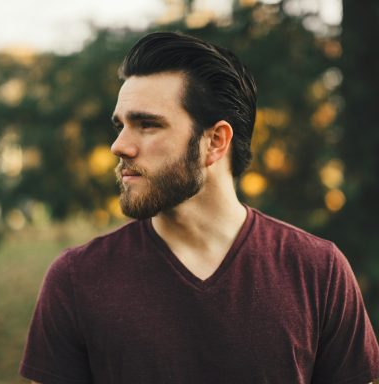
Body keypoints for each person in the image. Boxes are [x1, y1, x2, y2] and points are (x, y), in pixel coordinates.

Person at [19, 32, 379, 384]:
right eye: (121, 126)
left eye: (147, 125)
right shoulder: (77, 279)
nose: (119, 146)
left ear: (215, 142)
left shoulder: (318, 272)